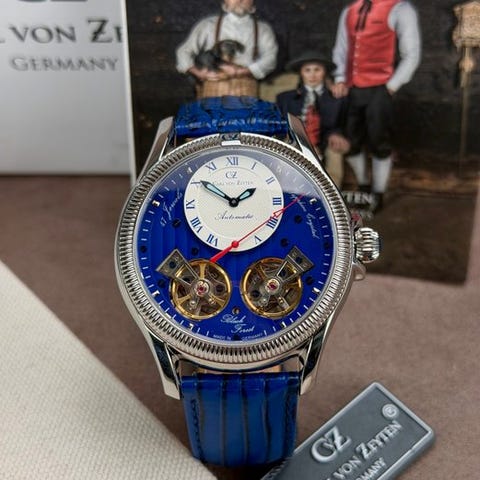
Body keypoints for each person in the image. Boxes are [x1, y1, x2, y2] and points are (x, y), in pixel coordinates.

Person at [331, 0, 421, 210]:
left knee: (379, 142)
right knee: (351, 141)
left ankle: (378, 193)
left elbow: (412, 53)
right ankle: (364, 186)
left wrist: (391, 86)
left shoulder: (400, 8)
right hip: (352, 88)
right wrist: (340, 78)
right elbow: (341, 49)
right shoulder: (350, 10)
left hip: (380, 87)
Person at [176, 0, 278, 98]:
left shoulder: (263, 29)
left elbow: (271, 59)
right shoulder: (207, 25)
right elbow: (183, 52)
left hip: (246, 90)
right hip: (213, 89)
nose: (239, 0)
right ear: (225, 1)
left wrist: (241, 72)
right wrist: (200, 73)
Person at [276, 51, 350, 188]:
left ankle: (332, 193)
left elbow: (341, 124)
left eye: (317, 70)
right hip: (295, 141)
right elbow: (280, 125)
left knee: (335, 152)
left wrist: (335, 134)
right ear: (301, 73)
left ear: (324, 72)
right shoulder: (285, 98)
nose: (312, 75)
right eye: (307, 70)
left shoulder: (336, 98)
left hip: (324, 142)